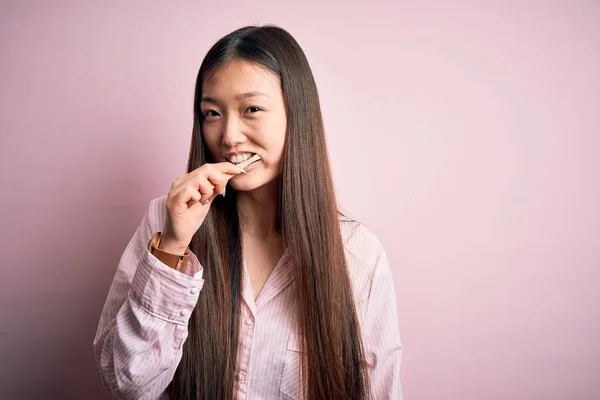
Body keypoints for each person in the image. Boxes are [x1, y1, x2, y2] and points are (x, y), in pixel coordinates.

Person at [94, 25, 402, 400]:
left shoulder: (357, 254)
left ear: (297, 114)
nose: (228, 136)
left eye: (251, 109)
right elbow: (128, 384)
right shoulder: (165, 224)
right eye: (212, 113)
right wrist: (173, 246)